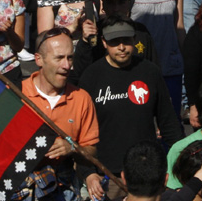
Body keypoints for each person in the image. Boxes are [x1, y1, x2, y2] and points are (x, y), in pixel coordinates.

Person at [79, 16, 184, 199]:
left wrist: (183, 164)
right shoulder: (91, 76)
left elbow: (168, 123)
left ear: (134, 40)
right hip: (107, 176)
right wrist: (87, 173)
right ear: (104, 43)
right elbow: (80, 131)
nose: (121, 47)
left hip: (147, 173)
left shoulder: (150, 71)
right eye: (114, 42)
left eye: (126, 41)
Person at [22, 27, 100, 200]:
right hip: (20, 184)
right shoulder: (16, 95)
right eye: (59, 58)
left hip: (63, 187)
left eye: (70, 57)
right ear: (39, 59)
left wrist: (72, 148)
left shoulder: (81, 98)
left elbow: (92, 151)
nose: (67, 65)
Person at [130, 0, 186, 113]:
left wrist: (186, 57)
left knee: (171, 119)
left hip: (170, 65)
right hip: (139, 66)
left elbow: (178, 26)